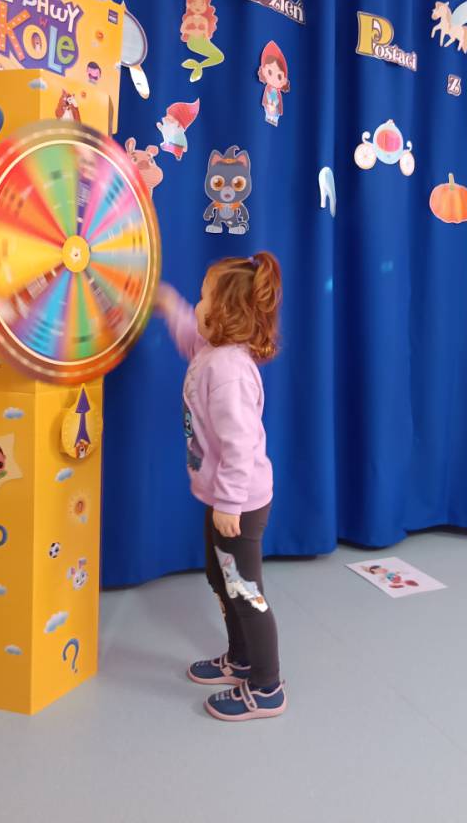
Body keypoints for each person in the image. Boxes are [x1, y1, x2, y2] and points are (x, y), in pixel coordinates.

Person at [155, 253, 286, 721]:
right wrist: (168, 305)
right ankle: (241, 659)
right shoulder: (212, 351)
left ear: (225, 313)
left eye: (203, 298)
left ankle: (267, 686)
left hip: (239, 504)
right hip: (222, 498)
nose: (197, 306)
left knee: (245, 591)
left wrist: (229, 503)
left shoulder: (229, 371)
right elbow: (190, 337)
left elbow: (240, 444)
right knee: (221, 578)